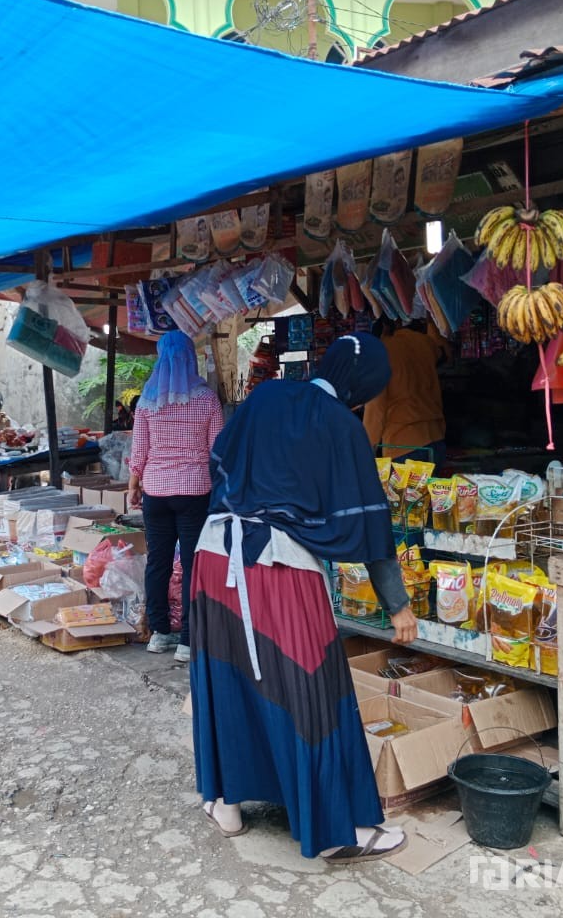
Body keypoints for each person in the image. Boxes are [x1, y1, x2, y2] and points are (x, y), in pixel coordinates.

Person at [189, 332, 417, 863]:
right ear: (364, 389)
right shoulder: (342, 426)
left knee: (227, 679)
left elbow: (218, 455)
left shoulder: (266, 395)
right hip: (277, 569)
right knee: (312, 688)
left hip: (214, 557)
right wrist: (397, 604)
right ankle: (336, 830)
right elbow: (369, 523)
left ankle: (224, 802)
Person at [127, 331, 223, 664]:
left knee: (159, 563)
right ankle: (188, 640)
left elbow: (139, 450)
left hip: (156, 491)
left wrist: (133, 485)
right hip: (195, 491)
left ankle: (158, 634)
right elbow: (218, 449)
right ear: (190, 358)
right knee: (194, 565)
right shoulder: (207, 399)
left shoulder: (147, 401)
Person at [361, 319, 449, 466]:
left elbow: (375, 411)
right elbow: (445, 352)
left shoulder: (379, 355)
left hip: (404, 446)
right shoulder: (422, 341)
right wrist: (431, 321)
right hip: (436, 439)